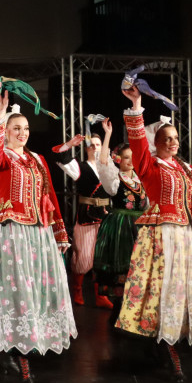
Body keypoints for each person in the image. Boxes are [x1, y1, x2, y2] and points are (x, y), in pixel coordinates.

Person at [115, 85, 192, 382]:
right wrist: (136, 106)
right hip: (164, 236)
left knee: (186, 291)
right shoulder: (149, 166)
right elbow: (137, 145)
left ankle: (172, 340)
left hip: (190, 236)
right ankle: (166, 344)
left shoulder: (185, 167)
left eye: (176, 137)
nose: (174, 142)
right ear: (156, 142)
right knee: (164, 291)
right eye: (167, 138)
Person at [0, 84, 77, 383]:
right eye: (17, 128)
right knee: (15, 290)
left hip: (40, 234)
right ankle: (14, 348)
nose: (23, 133)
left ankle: (31, 339)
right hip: (14, 232)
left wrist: (58, 230)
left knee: (38, 290)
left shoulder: (38, 160)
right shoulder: (1, 158)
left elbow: (50, 197)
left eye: (26, 128)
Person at [93, 118, 147, 313]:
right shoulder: (115, 180)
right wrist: (107, 134)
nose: (130, 161)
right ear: (119, 160)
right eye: (126, 157)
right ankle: (120, 309)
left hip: (141, 225)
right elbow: (103, 163)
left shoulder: (140, 179)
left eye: (132, 157)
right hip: (121, 227)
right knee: (123, 265)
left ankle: (137, 306)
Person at [53, 132, 113, 308]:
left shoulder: (109, 167)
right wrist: (70, 144)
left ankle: (101, 295)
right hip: (87, 217)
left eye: (98, 144)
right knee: (84, 256)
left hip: (106, 217)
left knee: (102, 257)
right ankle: (77, 289)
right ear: (86, 148)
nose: (95, 148)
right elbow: (59, 157)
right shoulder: (80, 167)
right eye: (92, 145)